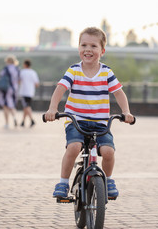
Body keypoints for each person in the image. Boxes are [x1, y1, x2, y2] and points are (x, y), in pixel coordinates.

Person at [44, 27, 135, 199]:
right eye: (83, 45)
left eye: (93, 46)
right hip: (76, 120)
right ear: (78, 48)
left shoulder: (107, 72)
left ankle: (108, 180)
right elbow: (60, 89)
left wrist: (126, 112)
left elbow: (119, 93)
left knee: (108, 151)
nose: (88, 49)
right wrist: (52, 109)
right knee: (74, 147)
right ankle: (63, 183)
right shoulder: (73, 70)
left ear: (102, 51)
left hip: (100, 122)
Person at [0, 55, 20, 129]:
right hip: (15, 89)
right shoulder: (17, 69)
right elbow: (19, 80)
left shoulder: (6, 68)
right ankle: (14, 117)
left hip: (6, 89)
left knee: (5, 106)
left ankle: (7, 123)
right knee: (12, 105)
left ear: (8, 61)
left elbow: (1, 75)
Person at [19, 59, 39, 127]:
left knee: (27, 106)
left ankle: (32, 120)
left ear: (25, 64)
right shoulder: (33, 72)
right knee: (25, 107)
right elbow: (36, 84)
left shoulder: (22, 72)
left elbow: (19, 81)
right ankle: (23, 121)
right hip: (31, 92)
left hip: (24, 92)